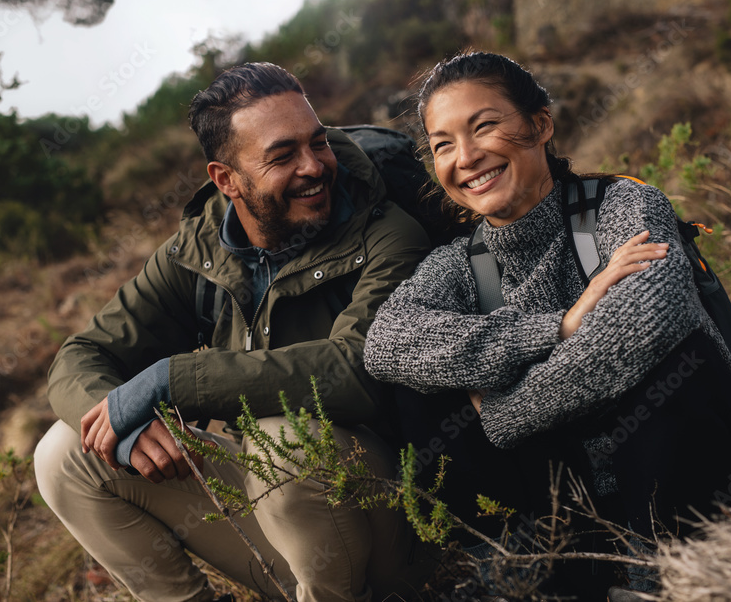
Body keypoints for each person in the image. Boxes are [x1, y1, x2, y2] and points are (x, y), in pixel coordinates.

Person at [362, 51, 731, 597]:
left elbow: (648, 320)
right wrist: (559, 326)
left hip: (689, 483)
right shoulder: (456, 265)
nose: (466, 157)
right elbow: (384, 343)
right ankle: (541, 581)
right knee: (422, 392)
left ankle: (679, 579)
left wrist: (501, 411)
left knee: (674, 366)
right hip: (568, 510)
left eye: (485, 126)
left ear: (539, 124)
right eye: (443, 144)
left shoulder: (623, 207)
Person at [34, 62, 435, 602]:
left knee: (284, 438)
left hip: (402, 527)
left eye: (318, 143)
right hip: (284, 520)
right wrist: (124, 423)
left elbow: (358, 371)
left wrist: (173, 380)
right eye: (282, 156)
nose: (314, 166)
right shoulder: (198, 251)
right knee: (66, 454)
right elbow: (81, 354)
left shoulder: (388, 235)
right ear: (226, 180)